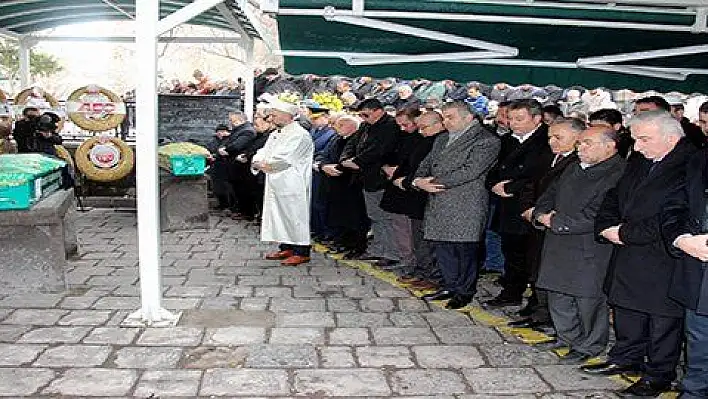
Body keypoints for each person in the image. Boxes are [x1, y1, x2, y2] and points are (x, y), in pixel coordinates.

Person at [588, 110, 696, 397]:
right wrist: (606, 226)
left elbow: (674, 214)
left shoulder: (691, 164)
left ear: (671, 138)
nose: (637, 147)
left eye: (644, 139)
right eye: (635, 139)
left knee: (662, 321)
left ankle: (659, 375)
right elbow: (614, 194)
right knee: (627, 311)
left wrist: (624, 234)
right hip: (627, 253)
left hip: (661, 255)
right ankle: (627, 358)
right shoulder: (639, 158)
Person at [532, 126, 625, 364]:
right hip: (558, 242)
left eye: (587, 143)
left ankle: (590, 344)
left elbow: (599, 214)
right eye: (579, 143)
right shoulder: (574, 166)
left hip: (588, 246)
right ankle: (567, 337)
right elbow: (549, 194)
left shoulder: (618, 172)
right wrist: (540, 212)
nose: (579, 148)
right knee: (558, 294)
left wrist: (556, 221)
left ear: (609, 146)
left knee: (587, 300)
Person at [412, 101, 501, 309]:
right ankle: (449, 285)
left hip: (465, 204)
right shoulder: (442, 138)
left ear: (468, 117)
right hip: (438, 201)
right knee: (443, 248)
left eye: (450, 117)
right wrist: (418, 181)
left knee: (464, 251)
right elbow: (425, 164)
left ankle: (464, 291)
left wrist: (431, 183)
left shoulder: (486, 140)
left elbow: (470, 171)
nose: (445, 122)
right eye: (444, 117)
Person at [509, 118, 584, 330]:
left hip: (556, 225)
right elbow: (530, 184)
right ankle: (538, 311)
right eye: (550, 137)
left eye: (558, 137)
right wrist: (528, 208)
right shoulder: (547, 158)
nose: (552, 141)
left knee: (549, 273)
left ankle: (549, 316)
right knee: (536, 268)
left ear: (577, 137)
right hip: (536, 221)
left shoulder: (578, 163)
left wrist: (544, 213)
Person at [485, 99, 554, 308]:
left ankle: (536, 302)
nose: (513, 123)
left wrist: (511, 187)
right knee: (511, 251)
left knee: (532, 256)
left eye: (519, 119)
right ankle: (511, 291)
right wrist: (493, 184)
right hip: (507, 206)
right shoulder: (507, 141)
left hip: (531, 204)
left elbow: (542, 174)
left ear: (537, 119)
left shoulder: (547, 140)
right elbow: (494, 168)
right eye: (510, 118)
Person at [661, 102, 708, 398]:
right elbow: (674, 205)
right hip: (698, 270)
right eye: (704, 122)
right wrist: (681, 238)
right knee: (699, 341)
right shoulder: (698, 159)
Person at [340, 98, 401, 264]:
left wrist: (357, 161)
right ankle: (378, 249)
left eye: (365, 114)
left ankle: (391, 253)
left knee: (384, 218)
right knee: (374, 217)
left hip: (379, 178)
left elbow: (380, 150)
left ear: (377, 111)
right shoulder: (367, 125)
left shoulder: (390, 126)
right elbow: (353, 142)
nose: (363, 118)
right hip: (364, 178)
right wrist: (346, 159)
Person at [254, 100, 314, 266]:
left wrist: (265, 164)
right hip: (275, 180)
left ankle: (301, 250)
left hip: (292, 182)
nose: (271, 117)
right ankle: (287, 245)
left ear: (287, 116)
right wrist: (258, 161)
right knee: (279, 214)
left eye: (274, 114)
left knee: (295, 215)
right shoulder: (277, 133)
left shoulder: (299, 134)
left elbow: (285, 158)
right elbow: (263, 151)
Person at [317, 114, 369, 258]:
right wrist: (324, 166)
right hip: (334, 183)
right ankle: (341, 241)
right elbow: (324, 154)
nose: (336, 128)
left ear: (352, 126)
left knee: (354, 217)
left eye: (341, 125)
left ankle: (356, 246)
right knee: (338, 215)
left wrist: (338, 168)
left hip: (351, 184)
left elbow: (353, 160)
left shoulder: (358, 140)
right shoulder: (336, 139)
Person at [206, 124, 239, 213]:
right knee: (218, 187)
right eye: (219, 132)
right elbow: (210, 150)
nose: (221, 134)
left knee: (228, 187)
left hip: (227, 167)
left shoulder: (231, 140)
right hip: (216, 166)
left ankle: (230, 206)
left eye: (223, 131)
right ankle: (222, 204)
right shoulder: (213, 141)